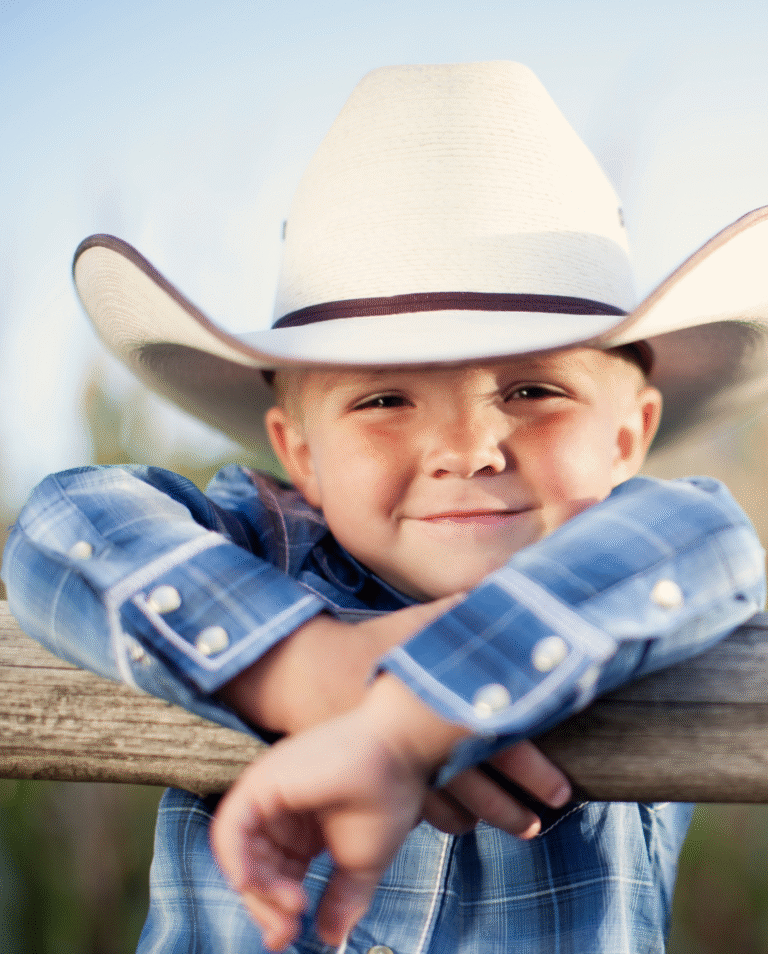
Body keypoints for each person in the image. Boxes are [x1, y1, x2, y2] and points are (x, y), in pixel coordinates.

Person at [4, 61, 768, 954]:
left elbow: (711, 537)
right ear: (299, 455)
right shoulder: (262, 549)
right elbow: (65, 524)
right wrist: (309, 668)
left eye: (532, 390)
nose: (467, 448)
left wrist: (399, 725)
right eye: (383, 401)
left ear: (629, 435)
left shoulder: (644, 580)